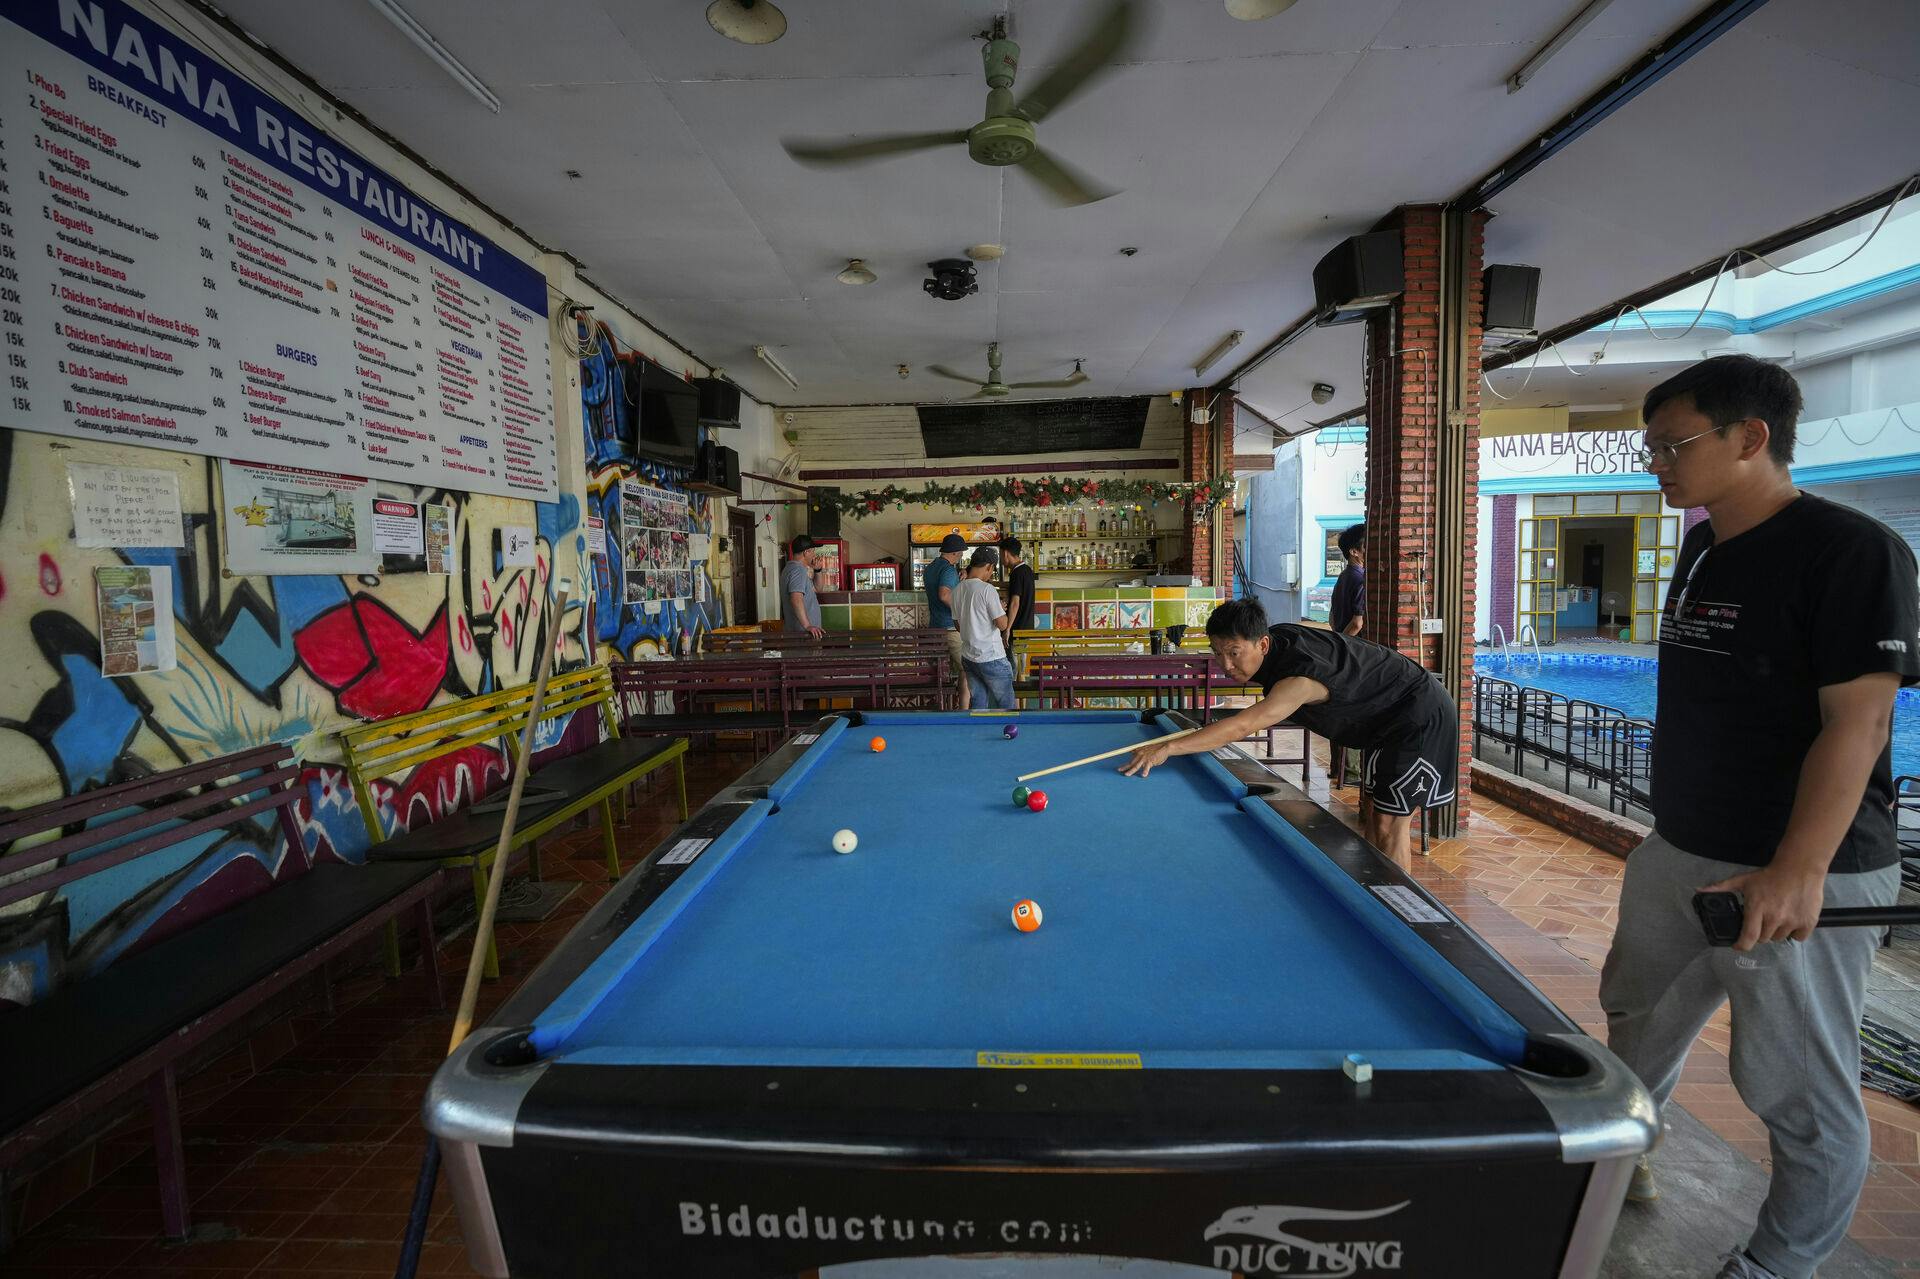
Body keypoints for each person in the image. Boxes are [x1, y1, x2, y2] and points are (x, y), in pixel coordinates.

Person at [1597, 354, 1918, 1279]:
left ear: (1751, 438)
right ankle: (1623, 1155)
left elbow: (1858, 723)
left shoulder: (1851, 551)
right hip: (1682, 848)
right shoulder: (1704, 544)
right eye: (1650, 444)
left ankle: (1779, 1262)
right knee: (1637, 1021)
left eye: (1673, 443)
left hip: (1790, 869)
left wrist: (1797, 870)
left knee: (1796, 1087)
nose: (1656, 461)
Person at [1121, 598, 1455, 866]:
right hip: (1385, 722)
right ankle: (1373, 895)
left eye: (1234, 652)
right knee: (1373, 816)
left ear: (1262, 644)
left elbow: (1244, 724)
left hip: (1417, 716)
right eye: (1218, 652)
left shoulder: (1299, 678)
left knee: (1389, 824)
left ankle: (1399, 920)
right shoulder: (1278, 639)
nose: (1225, 664)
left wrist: (1168, 748)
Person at [952, 546, 1016, 709]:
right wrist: (1000, 610)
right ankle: (1008, 732)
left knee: (978, 703)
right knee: (1006, 704)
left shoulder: (957, 590)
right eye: (992, 570)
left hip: (969, 657)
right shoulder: (987, 590)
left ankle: (977, 733)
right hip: (991, 657)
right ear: (989, 566)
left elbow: (958, 625)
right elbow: (1002, 624)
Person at [926, 533, 970, 710]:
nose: (961, 556)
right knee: (967, 668)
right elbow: (944, 595)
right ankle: (963, 710)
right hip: (950, 629)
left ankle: (943, 709)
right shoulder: (948, 569)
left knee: (942, 673)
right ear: (956, 553)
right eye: (960, 553)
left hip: (934, 628)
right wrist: (961, 610)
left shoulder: (931, 568)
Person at [781, 535, 825, 637]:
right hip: (804, 634)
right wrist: (808, 626)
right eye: (813, 551)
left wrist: (817, 570)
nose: (814, 554)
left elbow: (818, 589)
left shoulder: (793, 568)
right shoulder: (798, 570)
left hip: (805, 633)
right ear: (806, 552)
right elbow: (796, 599)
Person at [1330, 523, 1366, 637]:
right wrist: (1342, 645)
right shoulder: (1361, 579)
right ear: (1354, 551)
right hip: (1354, 647)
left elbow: (1332, 618)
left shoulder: (1343, 576)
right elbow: (1357, 623)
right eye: (1366, 546)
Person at [1002, 537, 1036, 651]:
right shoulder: (1027, 570)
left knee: (1014, 665)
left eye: (1001, 554)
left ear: (1006, 553)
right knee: (1021, 664)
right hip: (1027, 626)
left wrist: (1007, 629)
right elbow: (1016, 588)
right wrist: (992, 582)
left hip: (1017, 627)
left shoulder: (1016, 573)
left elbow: (1015, 603)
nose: (1001, 559)